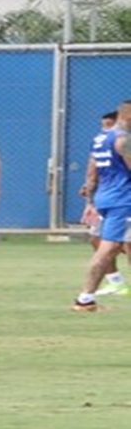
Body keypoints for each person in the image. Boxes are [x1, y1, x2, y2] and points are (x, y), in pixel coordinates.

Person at [80, 109, 131, 299]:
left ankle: (89, 295)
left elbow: (92, 172)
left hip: (111, 199)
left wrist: (91, 199)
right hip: (118, 200)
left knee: (113, 244)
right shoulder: (116, 140)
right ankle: (106, 287)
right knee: (103, 244)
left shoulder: (108, 141)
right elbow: (92, 171)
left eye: (108, 125)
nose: (105, 129)